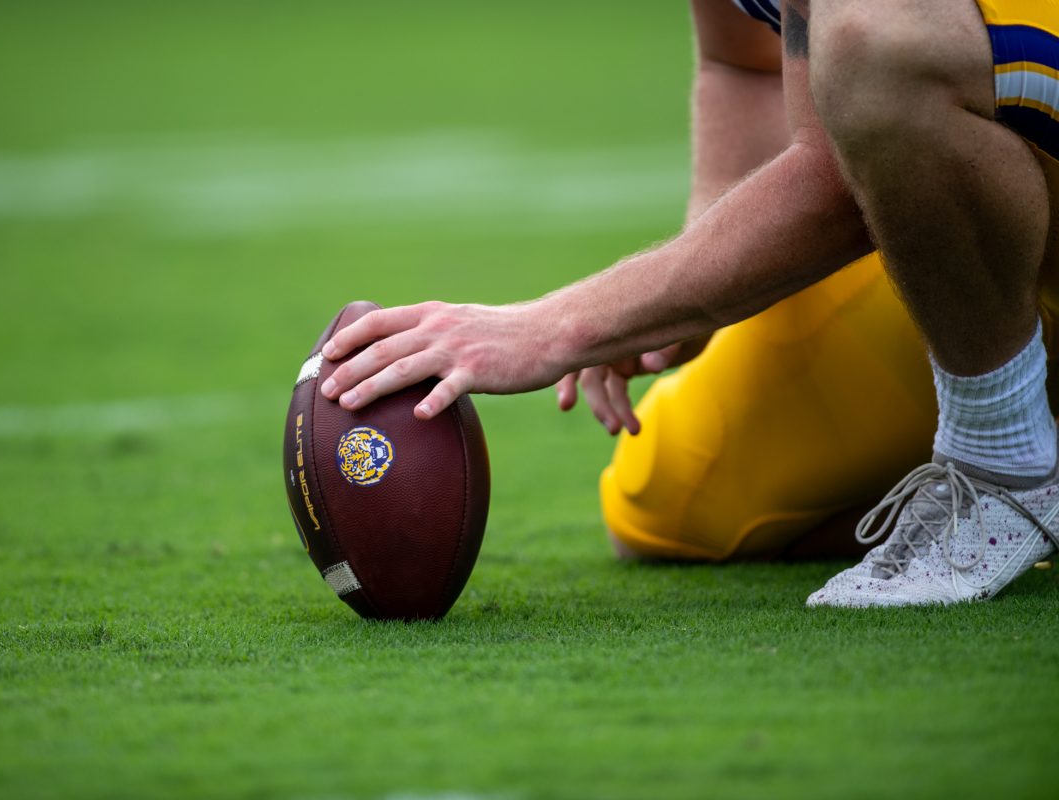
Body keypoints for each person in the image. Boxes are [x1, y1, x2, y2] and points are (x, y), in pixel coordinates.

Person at [316, 0, 1059, 606]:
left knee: (880, 40)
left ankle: (1005, 460)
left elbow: (860, 137)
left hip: (1016, 217)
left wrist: (561, 324)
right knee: (672, 501)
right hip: (969, 265)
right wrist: (691, 296)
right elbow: (742, 59)